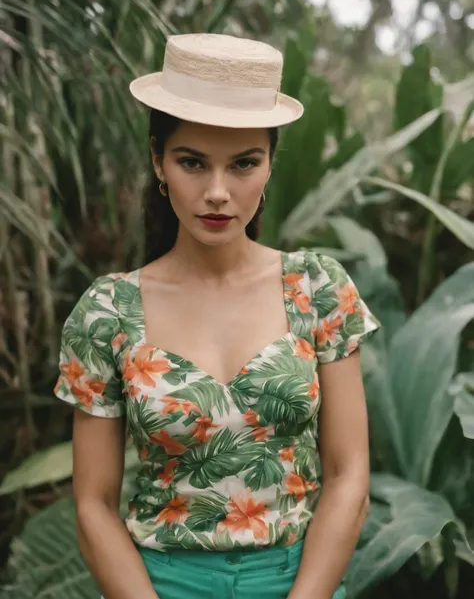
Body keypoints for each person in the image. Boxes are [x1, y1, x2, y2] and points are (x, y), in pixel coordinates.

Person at [54, 33, 381, 599]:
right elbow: (93, 504)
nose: (217, 192)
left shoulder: (319, 289)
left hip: (302, 582)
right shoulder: (107, 312)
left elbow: (350, 475)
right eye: (192, 163)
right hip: (157, 585)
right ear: (158, 161)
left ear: (270, 164)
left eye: (244, 164)